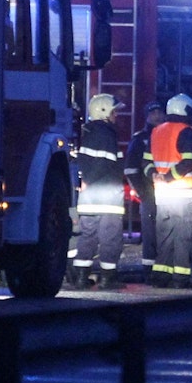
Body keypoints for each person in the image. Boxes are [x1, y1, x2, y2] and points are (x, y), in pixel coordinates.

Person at [145, 94, 192, 288]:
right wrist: (170, 176)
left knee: (165, 237)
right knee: (184, 238)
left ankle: (161, 277)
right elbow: (188, 161)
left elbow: (146, 162)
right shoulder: (186, 131)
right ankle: (180, 279)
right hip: (183, 193)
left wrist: (155, 175)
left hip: (162, 195)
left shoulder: (156, 131)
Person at [70, 94, 127, 290]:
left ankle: (80, 278)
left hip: (88, 197)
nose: (116, 115)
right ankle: (107, 279)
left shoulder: (89, 132)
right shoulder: (107, 134)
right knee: (110, 238)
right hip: (108, 197)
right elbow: (112, 166)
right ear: (103, 112)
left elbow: (87, 166)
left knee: (87, 237)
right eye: (114, 111)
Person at [124, 102, 166, 274]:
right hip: (149, 193)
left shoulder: (167, 136)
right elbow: (130, 169)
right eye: (153, 112)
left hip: (168, 194)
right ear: (147, 116)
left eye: (159, 112)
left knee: (166, 232)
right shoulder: (140, 139)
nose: (157, 115)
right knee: (150, 234)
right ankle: (149, 271)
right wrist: (143, 193)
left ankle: (163, 269)